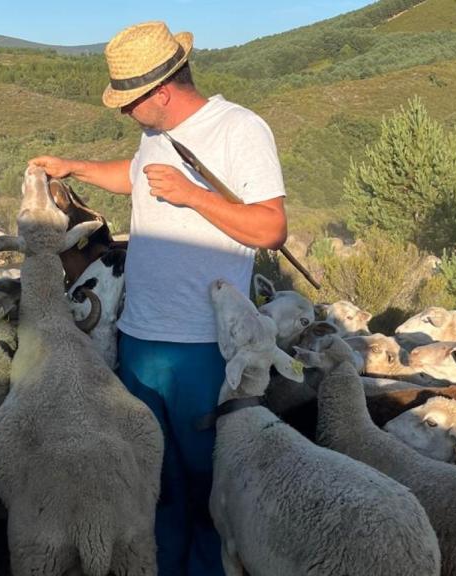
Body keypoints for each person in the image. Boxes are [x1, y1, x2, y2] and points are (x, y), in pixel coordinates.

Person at [29, 20, 288, 576]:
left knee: (209, 488)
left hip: (203, 346)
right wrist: (75, 167)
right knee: (151, 481)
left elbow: (270, 228)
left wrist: (193, 196)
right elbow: (136, 176)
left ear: (162, 92)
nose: (125, 112)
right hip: (140, 338)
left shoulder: (240, 129)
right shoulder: (156, 134)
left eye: (129, 103)